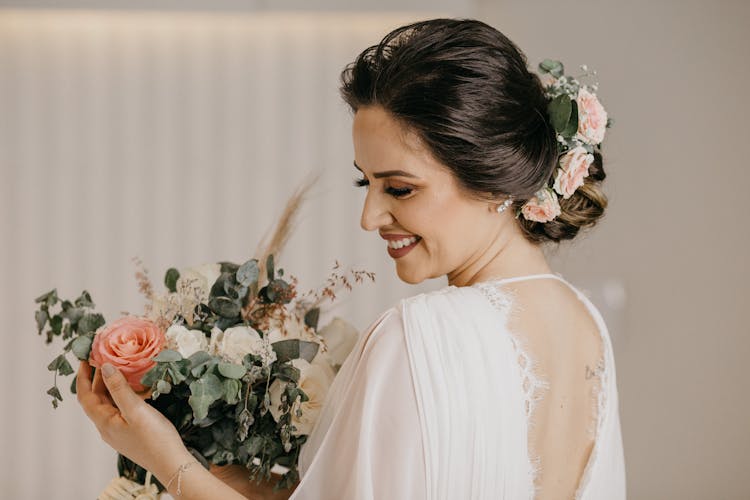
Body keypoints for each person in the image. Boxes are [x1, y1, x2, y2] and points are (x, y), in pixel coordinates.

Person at [77, 18, 626, 500]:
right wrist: (200, 460)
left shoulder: (419, 334)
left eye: (400, 189)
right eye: (367, 182)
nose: (369, 217)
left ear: (493, 183)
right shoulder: (586, 324)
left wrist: (164, 462)